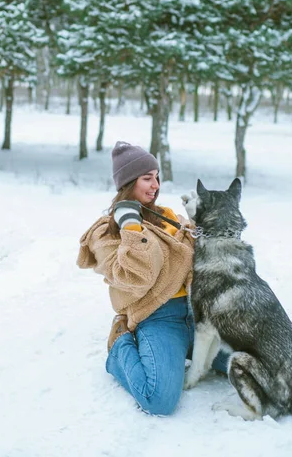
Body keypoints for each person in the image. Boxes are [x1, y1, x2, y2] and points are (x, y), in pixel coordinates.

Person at [77, 141, 229, 416]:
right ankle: (120, 344)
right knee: (159, 399)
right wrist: (132, 227)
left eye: (157, 176)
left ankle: (182, 352)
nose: (156, 184)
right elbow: (136, 277)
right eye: (147, 178)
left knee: (253, 362)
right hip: (159, 318)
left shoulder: (167, 216)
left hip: (199, 315)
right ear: (127, 182)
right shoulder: (105, 233)